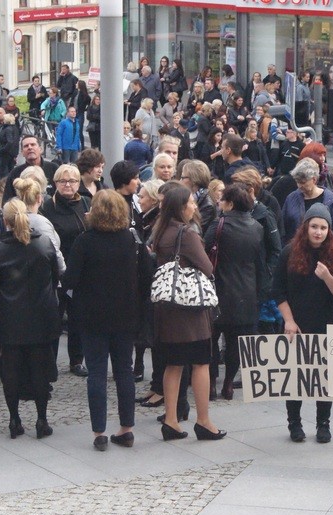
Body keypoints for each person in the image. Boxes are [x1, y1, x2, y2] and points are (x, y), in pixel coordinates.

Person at [63, 190, 150, 451]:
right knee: (124, 370)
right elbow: (147, 276)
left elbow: (70, 280)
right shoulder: (132, 240)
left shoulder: (85, 241)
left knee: (97, 373)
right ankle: (127, 428)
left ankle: (99, 432)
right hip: (126, 315)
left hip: (92, 316)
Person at [150, 185, 226, 441]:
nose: (195, 206)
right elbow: (206, 266)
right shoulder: (187, 234)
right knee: (201, 364)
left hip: (168, 311)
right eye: (191, 202)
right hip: (191, 312)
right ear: (182, 207)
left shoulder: (161, 232)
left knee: (173, 365)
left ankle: (171, 420)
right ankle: (203, 421)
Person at [275, 203, 333, 442]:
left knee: (324, 377)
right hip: (295, 323)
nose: (318, 232)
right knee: (295, 376)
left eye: (323, 228)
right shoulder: (289, 252)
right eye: (314, 227)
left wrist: (327, 276)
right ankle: (294, 423)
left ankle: (323, 424)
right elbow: (278, 291)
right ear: (306, 228)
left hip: (326, 322)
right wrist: (288, 320)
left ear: (329, 230)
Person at [0, 200, 60, 438]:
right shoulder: (44, 244)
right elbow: (55, 274)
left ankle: (14, 419)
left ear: (5, 222)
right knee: (40, 370)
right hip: (41, 317)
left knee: (11, 371)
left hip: (10, 320)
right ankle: (42, 419)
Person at [204, 184, 264, 400]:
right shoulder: (257, 227)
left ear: (229, 203)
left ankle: (210, 384)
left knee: (210, 340)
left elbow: (205, 252)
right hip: (245, 292)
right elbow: (259, 260)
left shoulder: (218, 224)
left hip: (218, 290)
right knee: (235, 343)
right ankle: (228, 383)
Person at [40, 164, 90, 377]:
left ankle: (77, 360)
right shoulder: (47, 207)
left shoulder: (86, 202)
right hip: (56, 270)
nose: (68, 185)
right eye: (63, 181)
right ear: (55, 184)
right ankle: (49, 361)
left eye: (72, 181)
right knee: (54, 317)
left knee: (78, 317)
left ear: (79, 183)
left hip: (80, 270)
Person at [281, 159, 333, 245]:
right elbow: (282, 227)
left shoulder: (330, 200)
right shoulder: (291, 198)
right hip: (295, 250)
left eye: (303, 182)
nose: (299, 186)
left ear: (314, 180)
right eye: (297, 182)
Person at [3, 136, 59, 201]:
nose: (30, 147)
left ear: (41, 149)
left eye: (33, 145)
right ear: (22, 152)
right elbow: (7, 200)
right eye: (26, 146)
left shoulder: (53, 169)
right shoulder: (15, 173)